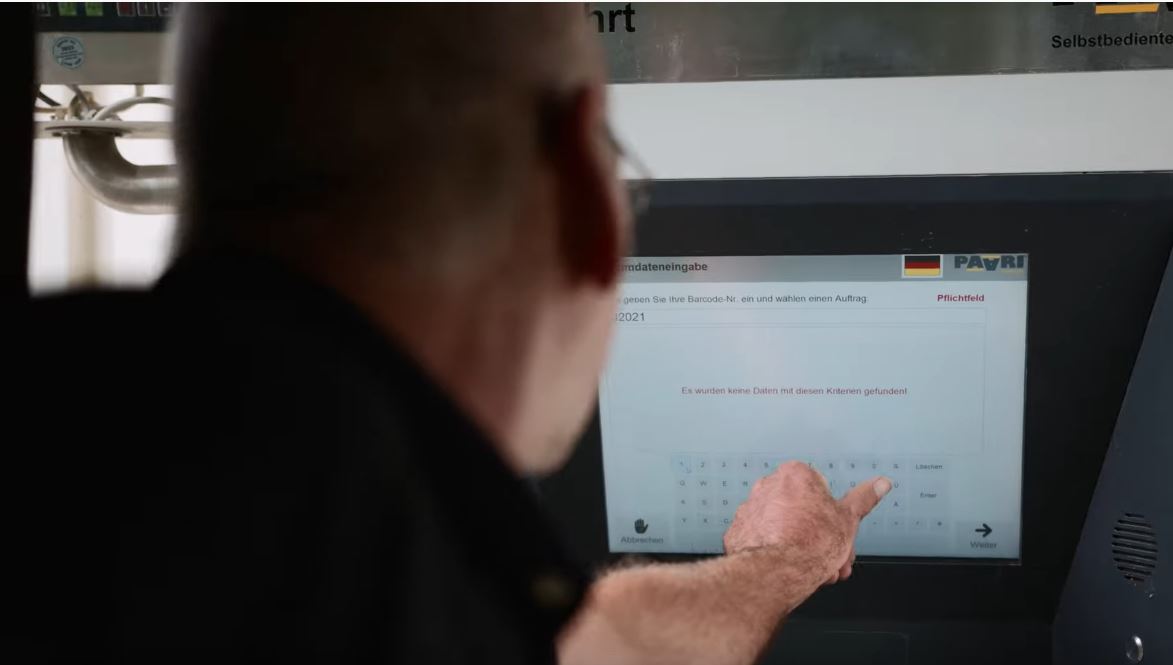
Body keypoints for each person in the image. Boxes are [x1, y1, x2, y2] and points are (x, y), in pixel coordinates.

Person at [6, 5, 890, 664]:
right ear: (582, 192)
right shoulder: (355, 516)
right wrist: (786, 563)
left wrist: (779, 561)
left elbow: (590, 641)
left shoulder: (67, 429)